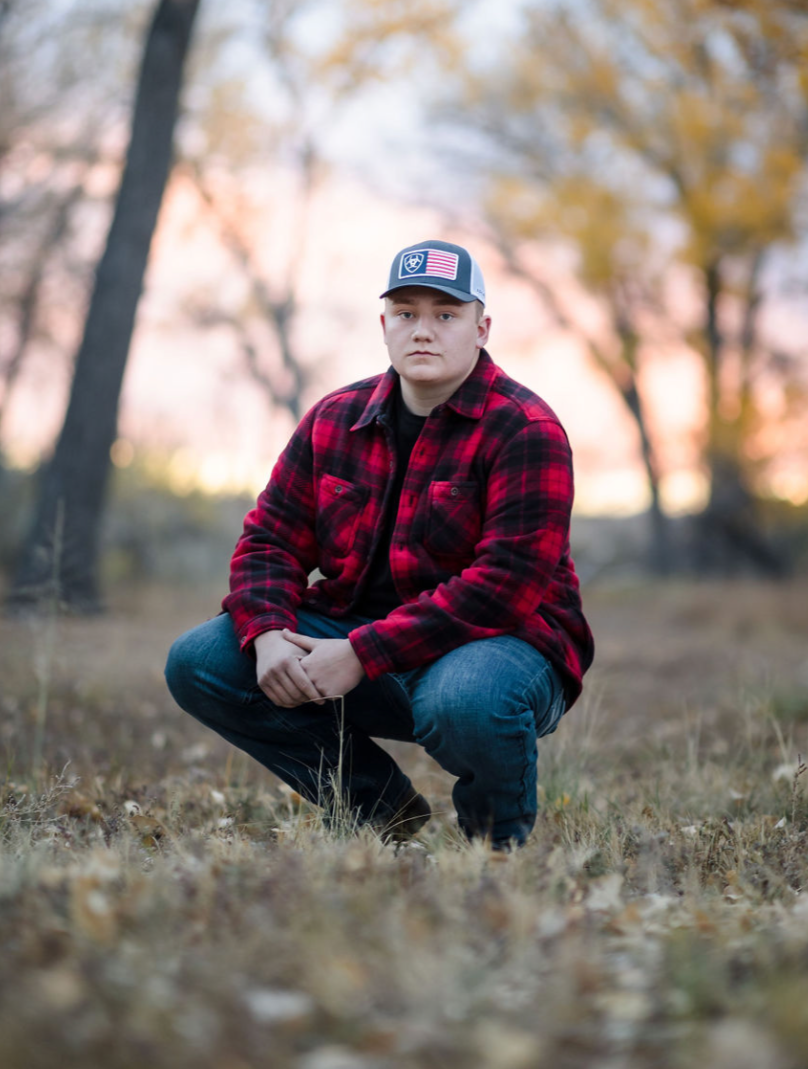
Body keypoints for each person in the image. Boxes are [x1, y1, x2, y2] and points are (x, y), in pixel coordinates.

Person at [165, 239, 594, 849]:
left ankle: (497, 849)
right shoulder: (334, 418)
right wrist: (265, 633)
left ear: (482, 328)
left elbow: (505, 586)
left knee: (466, 699)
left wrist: (361, 654)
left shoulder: (526, 429)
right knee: (202, 662)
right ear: (385, 325)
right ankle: (378, 809)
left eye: (446, 315)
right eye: (406, 313)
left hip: (500, 647)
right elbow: (270, 540)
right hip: (358, 637)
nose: (424, 330)